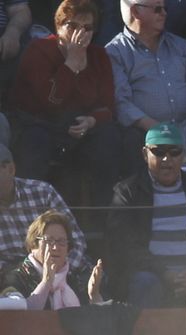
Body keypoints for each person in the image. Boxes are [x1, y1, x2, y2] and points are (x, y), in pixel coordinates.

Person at [9, 0, 122, 206]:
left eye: (87, 28)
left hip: (81, 127)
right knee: (35, 143)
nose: (80, 33)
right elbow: (49, 101)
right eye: (72, 26)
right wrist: (71, 63)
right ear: (59, 26)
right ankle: (31, 212)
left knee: (109, 138)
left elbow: (108, 107)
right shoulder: (39, 50)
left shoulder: (99, 55)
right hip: (41, 124)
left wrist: (91, 120)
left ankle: (105, 215)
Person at [106, 0, 186, 186]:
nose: (164, 13)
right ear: (136, 12)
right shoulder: (115, 52)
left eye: (164, 8)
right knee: (130, 143)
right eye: (157, 9)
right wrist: (154, 127)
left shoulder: (181, 46)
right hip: (146, 132)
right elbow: (121, 103)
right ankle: (143, 203)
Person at [106, 122, 186, 306]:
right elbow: (123, 246)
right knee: (145, 282)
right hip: (152, 276)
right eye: (159, 152)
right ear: (145, 154)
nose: (166, 159)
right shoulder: (128, 192)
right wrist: (164, 273)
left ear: (184, 155)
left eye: (174, 152)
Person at [0, 145, 90, 274]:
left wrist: (58, 274)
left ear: (11, 169)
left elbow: (76, 240)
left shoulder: (43, 192)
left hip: (61, 270)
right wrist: (24, 277)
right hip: (12, 276)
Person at [0, 210, 106, 308]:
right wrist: (46, 282)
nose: (55, 247)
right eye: (49, 240)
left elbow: (91, 320)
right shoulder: (14, 278)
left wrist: (94, 296)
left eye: (62, 241)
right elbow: (22, 314)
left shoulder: (73, 280)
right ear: (33, 245)